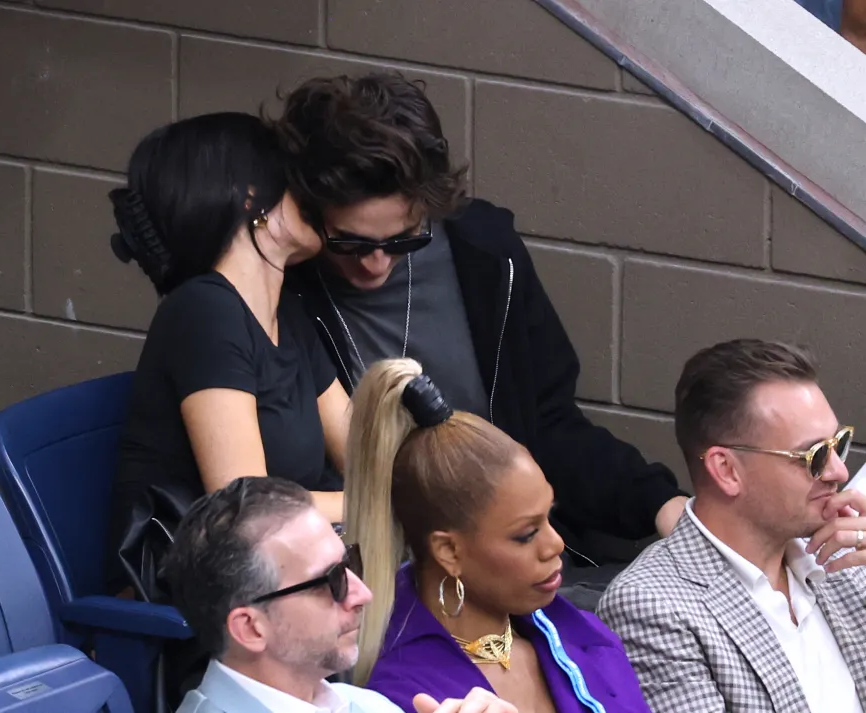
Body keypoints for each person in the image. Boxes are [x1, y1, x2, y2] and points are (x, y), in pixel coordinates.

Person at [271, 73, 688, 602]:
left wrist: (659, 502)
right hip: (373, 578)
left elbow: (548, 426)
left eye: (403, 239)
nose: (376, 263)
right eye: (349, 243)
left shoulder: (485, 258)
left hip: (510, 558)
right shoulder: (287, 292)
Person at [106, 113, 349, 600]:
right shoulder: (205, 311)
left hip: (285, 579)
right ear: (251, 197)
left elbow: (366, 450)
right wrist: (375, 505)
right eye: (295, 181)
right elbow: (248, 507)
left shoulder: (288, 314)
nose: (315, 197)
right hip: (202, 611)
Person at [342, 358, 650, 712]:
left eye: (550, 517)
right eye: (526, 534)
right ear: (449, 552)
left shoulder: (584, 634)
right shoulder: (401, 696)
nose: (555, 545)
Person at [597, 339, 866, 712]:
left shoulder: (845, 557)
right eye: (815, 455)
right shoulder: (653, 606)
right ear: (726, 470)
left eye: (839, 444)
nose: (839, 471)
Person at [163, 476, 520, 713]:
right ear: (251, 628)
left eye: (350, 564)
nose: (362, 593)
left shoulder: (361, 704)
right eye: (330, 582)